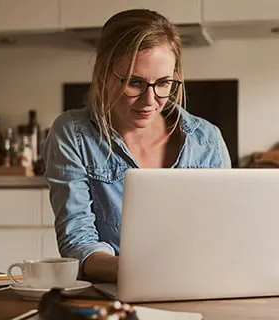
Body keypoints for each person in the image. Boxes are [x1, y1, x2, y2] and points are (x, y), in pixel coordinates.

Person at [42, 8, 232, 283]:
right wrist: (135, 270)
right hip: (115, 293)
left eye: (164, 83)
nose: (149, 101)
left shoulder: (207, 139)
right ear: (103, 75)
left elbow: (223, 232)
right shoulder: (73, 133)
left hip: (198, 285)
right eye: (135, 83)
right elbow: (78, 240)